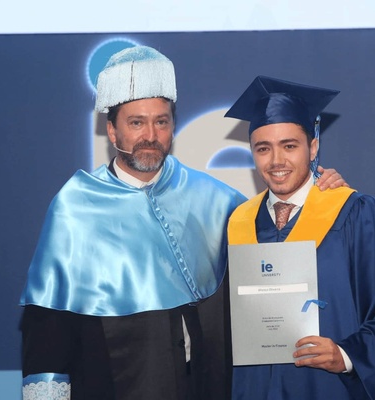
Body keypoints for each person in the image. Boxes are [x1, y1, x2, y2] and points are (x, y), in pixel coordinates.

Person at [19, 48, 346, 400]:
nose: (151, 135)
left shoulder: (214, 198)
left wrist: (318, 192)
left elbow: (279, 258)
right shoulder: (76, 206)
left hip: (209, 386)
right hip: (116, 385)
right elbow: (48, 328)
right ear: (112, 132)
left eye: (161, 121)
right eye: (136, 122)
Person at [225, 75, 375, 399]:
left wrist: (348, 356)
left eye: (289, 146)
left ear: (313, 147)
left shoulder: (353, 213)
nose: (276, 161)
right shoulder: (239, 221)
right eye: (263, 148)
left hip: (328, 389)